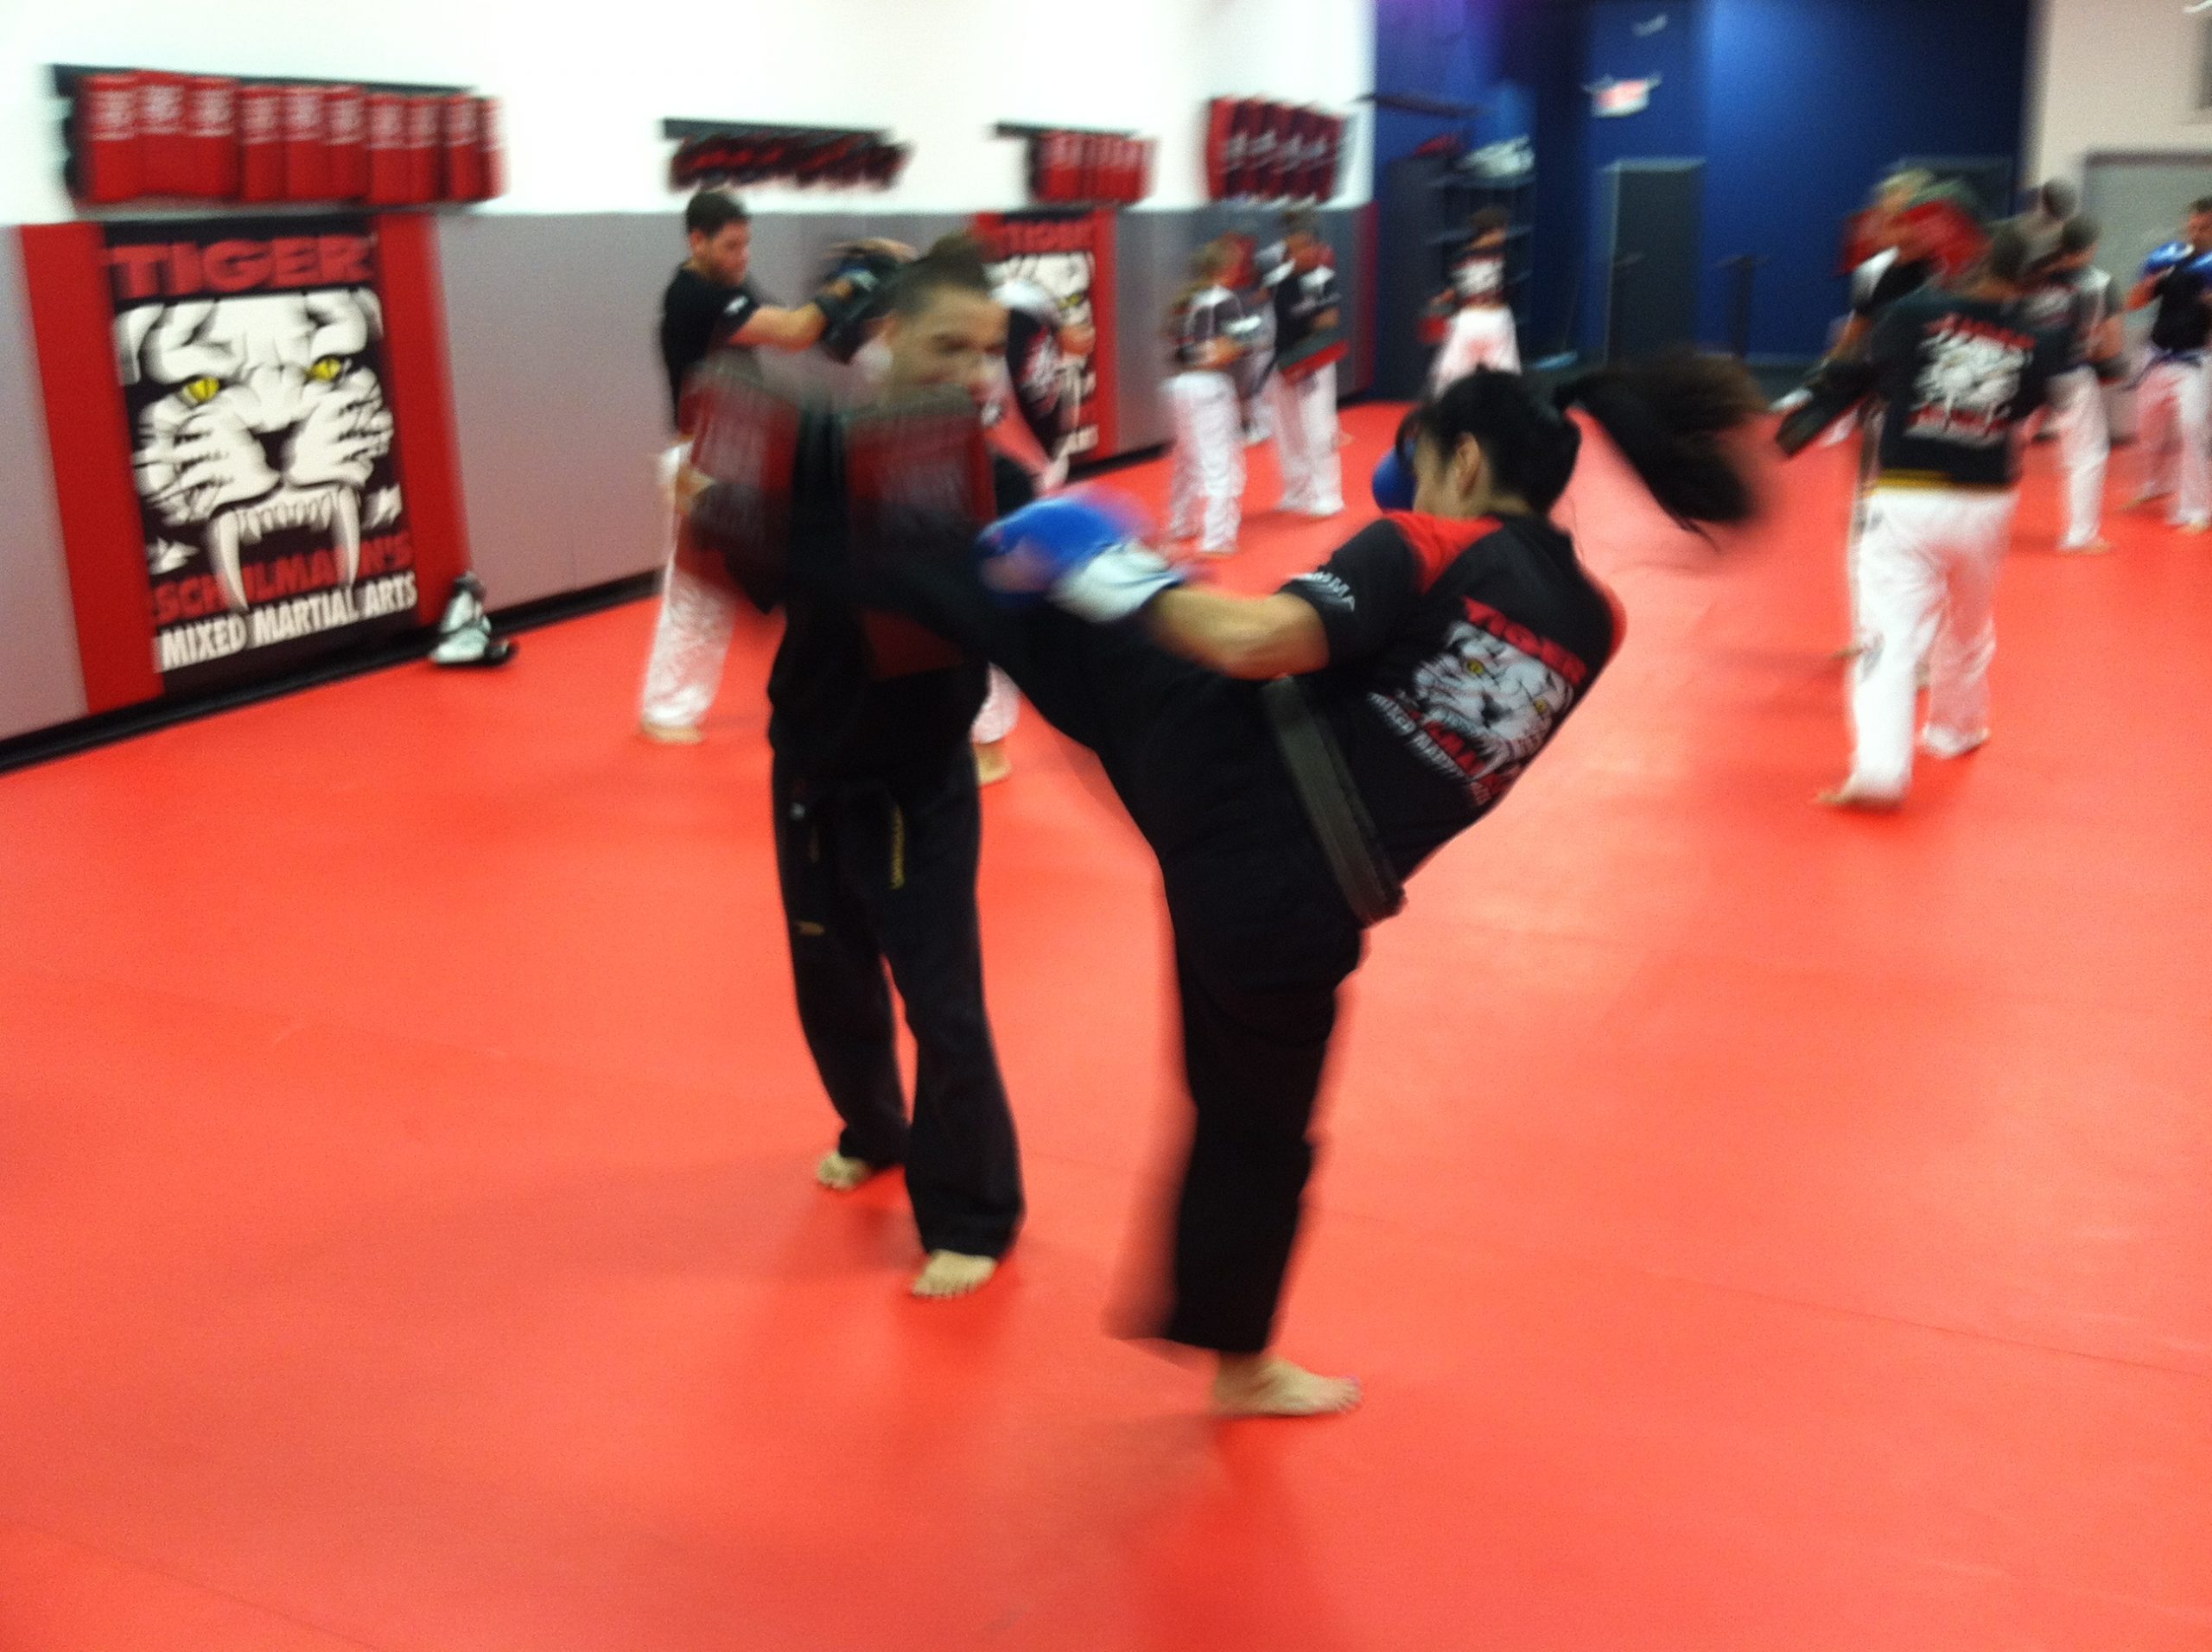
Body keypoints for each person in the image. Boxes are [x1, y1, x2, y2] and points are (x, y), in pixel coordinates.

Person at [716, 353, 1761, 1414]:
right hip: (1306, 911)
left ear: (1465, 458)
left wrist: (1116, 569)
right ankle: (1242, 1362)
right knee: (1257, 1129)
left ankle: (779, 516)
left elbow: (1253, 640)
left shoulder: (1427, 540)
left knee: (1013, 587)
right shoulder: (1597, 622)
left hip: (1224, 775)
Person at [686, 236, 1031, 1299]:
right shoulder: (822, 446)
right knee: (827, 972)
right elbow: (761, 582)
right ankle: (874, 1128)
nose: (973, 372)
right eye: (947, 345)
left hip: (917, 773)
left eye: (987, 352)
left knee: (941, 999)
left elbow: (1004, 616)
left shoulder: (996, 477)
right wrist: (715, 509)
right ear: (888, 335)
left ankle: (974, 1210)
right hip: (809, 753)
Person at [1808, 226, 2069, 808]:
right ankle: (1955, 729)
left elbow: (1871, 376)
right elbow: (2026, 415)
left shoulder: (1910, 314)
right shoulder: (2041, 340)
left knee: (1889, 639)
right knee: (1970, 622)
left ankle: (1879, 770)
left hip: (1905, 491)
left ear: (1975, 262)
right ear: (2031, 282)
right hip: (1985, 501)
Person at [638, 192, 890, 744]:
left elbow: (804, 333)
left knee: (791, 572)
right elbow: (797, 330)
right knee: (699, 594)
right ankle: (666, 712)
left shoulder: (726, 285)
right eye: (731, 246)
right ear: (696, 241)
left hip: (736, 455)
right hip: (700, 461)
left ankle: (816, 685)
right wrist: (853, 281)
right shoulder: (694, 297)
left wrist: (862, 305)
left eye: (747, 242)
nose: (742, 255)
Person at [969, 276, 1096, 785]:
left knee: (998, 597)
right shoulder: (1019, 316)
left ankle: (992, 743)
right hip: (1021, 470)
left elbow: (1072, 345)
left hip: (1014, 476)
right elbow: (1077, 343)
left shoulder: (1008, 327)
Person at [2020, 216, 2123, 553]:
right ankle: (2080, 536)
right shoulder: (2101, 284)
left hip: (2024, 372)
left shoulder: (2031, 278)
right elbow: (2112, 346)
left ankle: (1972, 525)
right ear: (2091, 247)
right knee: (2086, 455)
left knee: (2000, 445)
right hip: (2071, 373)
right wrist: (2100, 355)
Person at [2125, 199, 2212, 532]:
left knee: (2192, 429)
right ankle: (2154, 486)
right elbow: (2134, 305)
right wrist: (2147, 281)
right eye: (2192, 226)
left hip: (2193, 361)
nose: (2196, 233)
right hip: (2156, 355)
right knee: (2147, 427)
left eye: (2204, 228)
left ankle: (2195, 510)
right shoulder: (2170, 257)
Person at [1163, 239, 1252, 558]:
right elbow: (1229, 348)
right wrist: (1250, 338)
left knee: (1187, 458)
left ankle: (1182, 523)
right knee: (1221, 462)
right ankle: (1217, 538)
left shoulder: (1186, 301)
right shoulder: (1224, 299)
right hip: (1209, 386)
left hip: (1181, 385)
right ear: (1224, 268)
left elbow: (1178, 350)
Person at [1268, 210, 1346, 517]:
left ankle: (1328, 494)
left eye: (1305, 245)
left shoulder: (1323, 279)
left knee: (1318, 428)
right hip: (1283, 361)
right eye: (1293, 246)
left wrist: (1308, 312)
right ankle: (1297, 491)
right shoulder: (1278, 279)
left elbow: (1329, 320)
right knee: (1287, 433)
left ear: (1315, 246)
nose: (1299, 252)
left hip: (1314, 361)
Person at [1427, 207, 1520, 394]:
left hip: (1467, 320)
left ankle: (1440, 413)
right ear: (1495, 229)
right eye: (1503, 229)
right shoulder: (1505, 255)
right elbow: (1510, 289)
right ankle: (1507, 413)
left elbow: (1452, 292)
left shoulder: (1460, 257)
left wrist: (1438, 302)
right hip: (1497, 319)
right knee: (1504, 373)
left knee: (1452, 374)